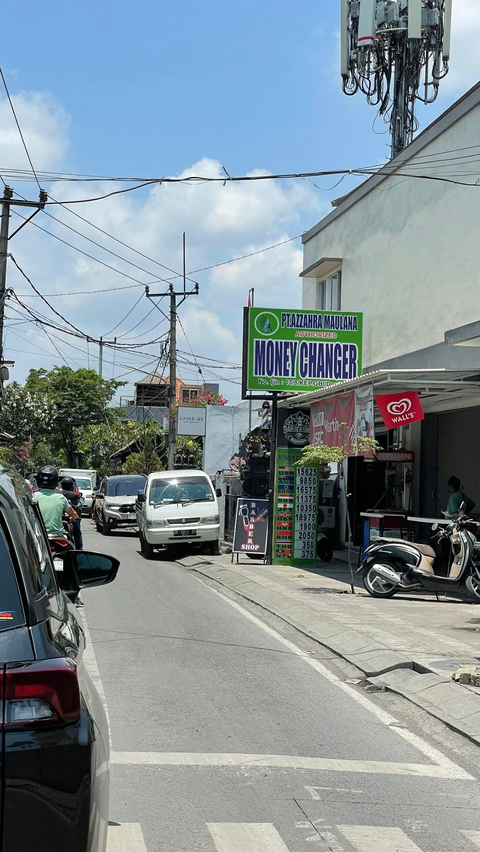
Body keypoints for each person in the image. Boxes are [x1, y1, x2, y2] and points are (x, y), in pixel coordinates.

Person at [36, 465, 79, 539]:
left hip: (38, 535)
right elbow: (73, 514)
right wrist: (75, 517)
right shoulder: (60, 497)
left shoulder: (33, 496)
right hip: (57, 536)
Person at [60, 476, 84, 550]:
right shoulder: (75, 495)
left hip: (60, 518)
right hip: (70, 517)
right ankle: (79, 550)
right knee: (77, 534)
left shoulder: (59, 494)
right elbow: (79, 505)